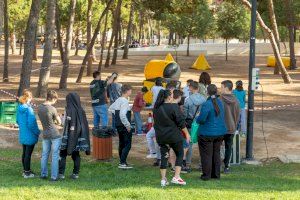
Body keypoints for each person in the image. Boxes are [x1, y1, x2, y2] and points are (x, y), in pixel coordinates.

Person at [153, 89, 190, 187]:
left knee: (164, 156)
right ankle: (176, 177)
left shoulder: (156, 108)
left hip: (161, 137)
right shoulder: (174, 107)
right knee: (180, 153)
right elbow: (181, 122)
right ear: (169, 97)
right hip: (173, 136)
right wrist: (187, 134)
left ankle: (163, 179)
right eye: (172, 95)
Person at [196, 84, 227, 181]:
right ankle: (216, 174)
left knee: (206, 155)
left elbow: (201, 119)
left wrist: (197, 117)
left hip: (207, 133)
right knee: (216, 153)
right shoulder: (220, 102)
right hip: (219, 132)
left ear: (207, 92)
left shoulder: (207, 104)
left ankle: (206, 175)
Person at [59, 93, 91, 179]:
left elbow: (64, 123)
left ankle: (61, 174)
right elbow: (84, 124)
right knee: (76, 154)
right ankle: (75, 174)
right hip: (78, 136)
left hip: (68, 136)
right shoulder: (82, 110)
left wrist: (60, 118)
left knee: (62, 154)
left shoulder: (68, 110)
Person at [38, 90, 62, 181]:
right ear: (53, 98)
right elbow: (59, 122)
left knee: (44, 155)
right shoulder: (52, 109)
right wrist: (56, 120)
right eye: (55, 100)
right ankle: (54, 176)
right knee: (55, 155)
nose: (55, 102)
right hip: (54, 134)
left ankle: (43, 174)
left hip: (45, 134)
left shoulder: (40, 107)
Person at [183, 81, 206, 172]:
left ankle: (188, 164)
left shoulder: (187, 99)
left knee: (189, 144)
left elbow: (185, 113)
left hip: (190, 123)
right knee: (202, 144)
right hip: (200, 123)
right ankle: (201, 164)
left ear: (192, 88)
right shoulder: (204, 99)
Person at [17, 90, 40, 178]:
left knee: (25, 153)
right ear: (29, 98)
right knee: (28, 154)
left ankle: (26, 170)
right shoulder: (28, 109)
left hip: (23, 133)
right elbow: (31, 123)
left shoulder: (19, 107)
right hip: (30, 134)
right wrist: (37, 132)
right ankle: (27, 173)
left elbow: (17, 121)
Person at [108, 84, 133, 169]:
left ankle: (122, 162)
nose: (131, 92)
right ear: (127, 91)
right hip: (124, 126)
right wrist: (128, 125)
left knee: (121, 143)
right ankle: (122, 163)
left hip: (118, 125)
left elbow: (110, 108)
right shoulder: (125, 101)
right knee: (127, 144)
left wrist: (116, 114)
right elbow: (123, 115)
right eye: (130, 90)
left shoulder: (118, 100)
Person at [220, 80, 240, 174]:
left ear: (226, 88)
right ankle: (226, 166)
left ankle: (217, 164)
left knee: (217, 147)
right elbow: (237, 115)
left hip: (220, 128)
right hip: (231, 127)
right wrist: (235, 126)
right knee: (228, 147)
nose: (220, 89)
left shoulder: (219, 99)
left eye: (222, 87)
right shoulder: (236, 100)